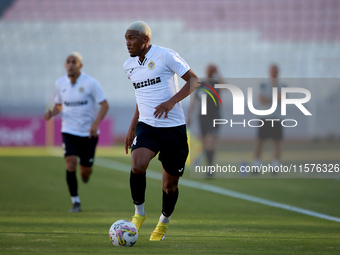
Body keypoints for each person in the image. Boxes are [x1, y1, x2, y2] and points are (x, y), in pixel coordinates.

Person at [123, 21, 199, 241]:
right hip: (147, 125)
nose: (128, 43)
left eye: (132, 38)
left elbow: (194, 81)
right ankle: (139, 214)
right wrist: (131, 128)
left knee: (169, 186)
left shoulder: (166, 55)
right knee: (137, 165)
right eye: (126, 38)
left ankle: (164, 221)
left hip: (173, 129)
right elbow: (142, 97)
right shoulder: (129, 66)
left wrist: (171, 102)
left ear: (145, 39)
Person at [45, 52, 109, 212]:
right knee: (70, 163)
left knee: (85, 172)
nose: (71, 64)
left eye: (74, 62)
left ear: (80, 65)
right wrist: (52, 112)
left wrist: (95, 123)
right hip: (69, 131)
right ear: (65, 65)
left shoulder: (90, 83)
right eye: (68, 62)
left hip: (88, 133)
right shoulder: (60, 83)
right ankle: (75, 202)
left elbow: (105, 105)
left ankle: (85, 174)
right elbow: (59, 105)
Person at [188, 64, 225, 177]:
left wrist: (218, 73)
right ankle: (208, 167)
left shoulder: (216, 83)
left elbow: (225, 87)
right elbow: (194, 100)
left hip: (214, 116)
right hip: (202, 116)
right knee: (204, 141)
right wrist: (189, 115)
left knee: (210, 140)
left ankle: (210, 168)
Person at [253, 64, 285, 171]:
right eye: (272, 71)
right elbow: (261, 100)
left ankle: (275, 166)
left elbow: (283, 99)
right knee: (259, 142)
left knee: (276, 142)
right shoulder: (264, 85)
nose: (274, 73)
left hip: (276, 117)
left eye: (275, 71)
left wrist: (270, 99)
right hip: (264, 117)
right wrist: (275, 98)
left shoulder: (282, 86)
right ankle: (256, 165)